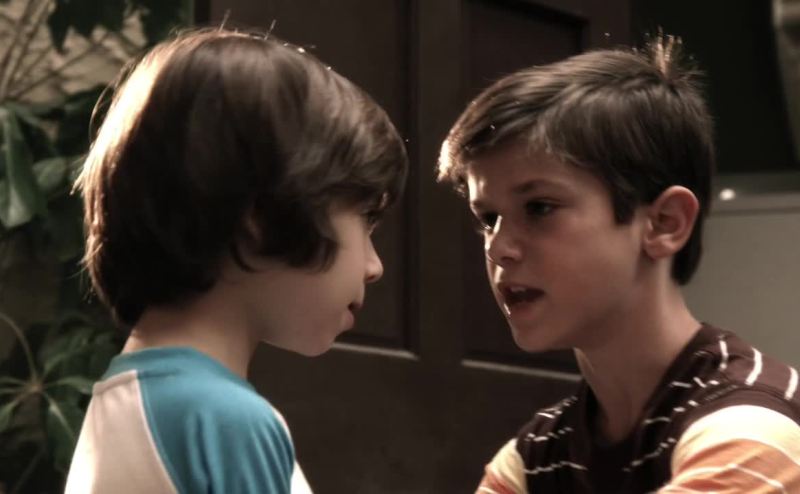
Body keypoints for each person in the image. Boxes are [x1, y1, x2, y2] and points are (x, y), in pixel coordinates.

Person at [437, 36, 800, 493]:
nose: (498, 249)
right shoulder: (532, 459)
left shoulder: (753, 430)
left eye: (540, 207)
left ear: (665, 223)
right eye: (488, 219)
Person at [65, 28, 407, 494]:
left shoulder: (124, 398)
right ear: (262, 215)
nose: (374, 266)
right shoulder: (224, 420)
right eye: (365, 218)